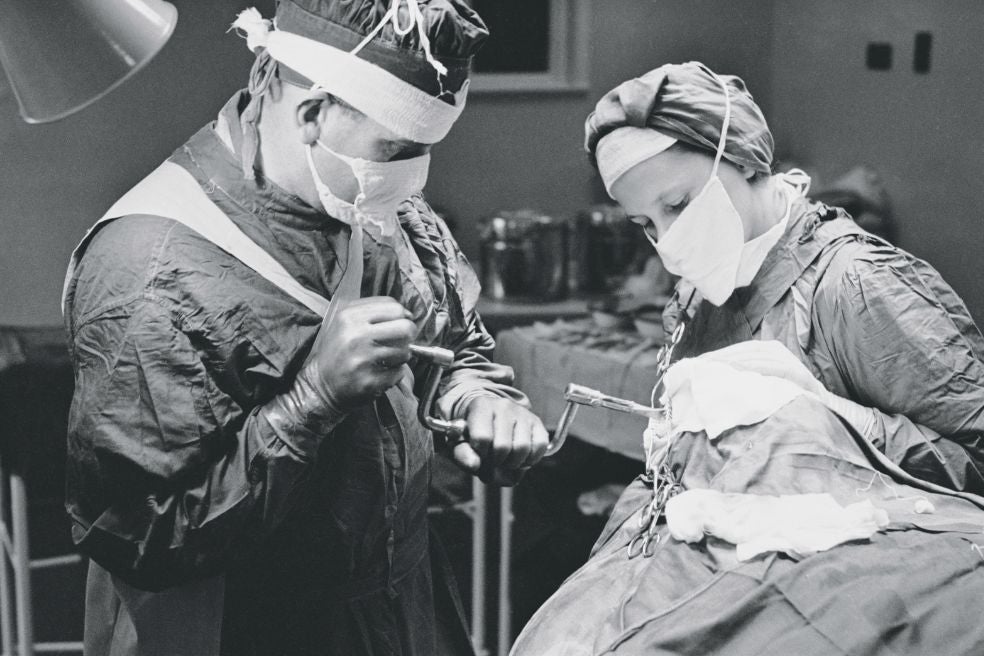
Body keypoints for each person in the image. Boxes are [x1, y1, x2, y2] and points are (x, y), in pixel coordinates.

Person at [62, 1, 548, 654]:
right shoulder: (151, 270)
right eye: (400, 150)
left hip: (395, 605)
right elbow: (145, 538)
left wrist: (476, 398)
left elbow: (450, 342)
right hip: (251, 632)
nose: (414, 176)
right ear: (314, 112)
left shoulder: (369, 199)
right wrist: (310, 400)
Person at [583, 60, 984, 495]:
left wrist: (838, 420)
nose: (667, 241)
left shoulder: (856, 285)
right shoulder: (695, 300)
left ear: (745, 159)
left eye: (678, 205)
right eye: (645, 222)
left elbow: (975, 461)